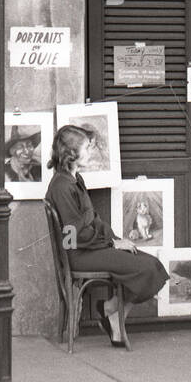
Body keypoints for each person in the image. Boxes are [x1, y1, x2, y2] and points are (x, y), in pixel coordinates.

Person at [45, 124, 167, 347]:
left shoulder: (75, 179)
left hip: (93, 247)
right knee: (146, 269)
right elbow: (73, 236)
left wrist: (116, 240)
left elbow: (93, 218)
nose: (91, 152)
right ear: (72, 154)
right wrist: (110, 243)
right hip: (80, 254)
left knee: (154, 265)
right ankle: (112, 312)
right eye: (87, 148)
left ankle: (111, 310)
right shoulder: (62, 187)